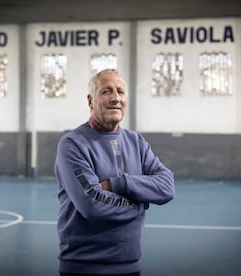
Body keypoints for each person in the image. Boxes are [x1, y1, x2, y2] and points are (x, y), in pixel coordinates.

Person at [54, 69, 175, 276]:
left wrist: (117, 184)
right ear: (91, 101)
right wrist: (139, 204)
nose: (115, 98)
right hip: (84, 268)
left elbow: (167, 187)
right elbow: (91, 204)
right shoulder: (73, 144)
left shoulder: (136, 142)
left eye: (120, 91)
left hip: (130, 265)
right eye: (106, 91)